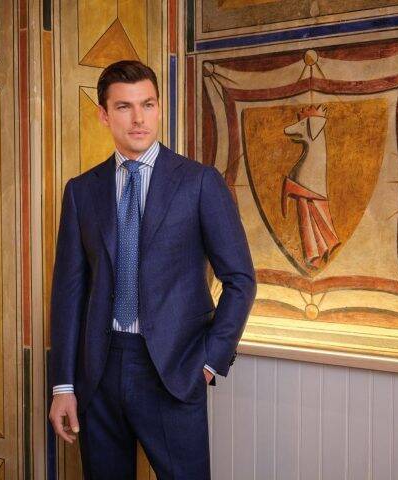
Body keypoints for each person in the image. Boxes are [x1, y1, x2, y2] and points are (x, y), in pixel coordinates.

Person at [48, 59, 256, 479]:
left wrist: (208, 362)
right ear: (104, 115)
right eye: (124, 107)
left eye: (147, 104)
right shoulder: (81, 191)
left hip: (174, 371)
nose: (138, 119)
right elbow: (69, 293)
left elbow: (240, 280)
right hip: (98, 373)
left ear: (159, 108)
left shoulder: (199, 182)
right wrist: (63, 385)